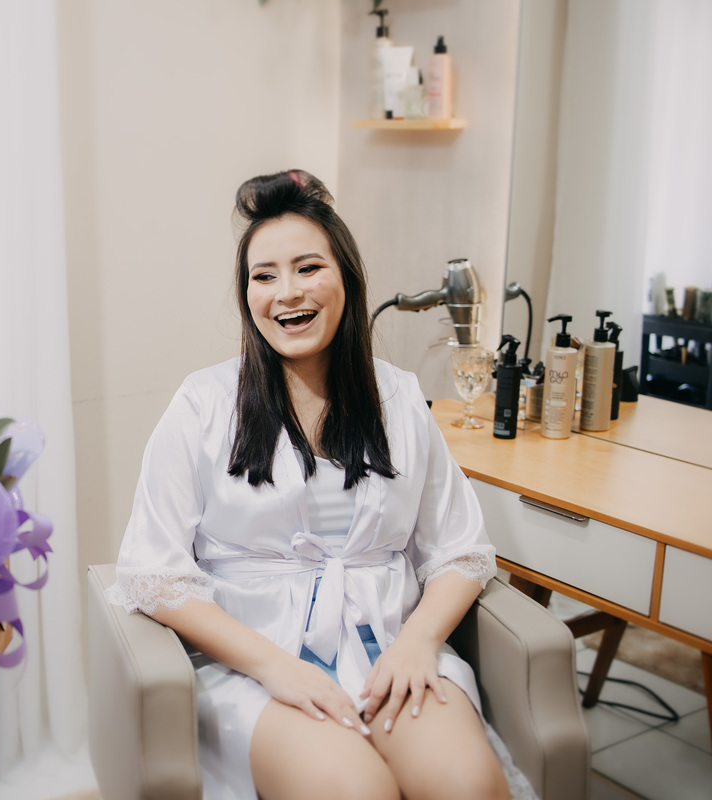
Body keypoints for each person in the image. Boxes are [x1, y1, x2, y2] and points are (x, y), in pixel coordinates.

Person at [108, 170, 522, 800]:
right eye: (264, 276)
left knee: (469, 786)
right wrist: (275, 667)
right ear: (247, 294)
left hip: (389, 648)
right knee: (358, 791)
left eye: (308, 268)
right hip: (252, 666)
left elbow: (459, 550)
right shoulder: (203, 404)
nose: (287, 293)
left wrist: (417, 644)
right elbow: (153, 573)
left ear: (345, 278)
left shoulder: (399, 398)